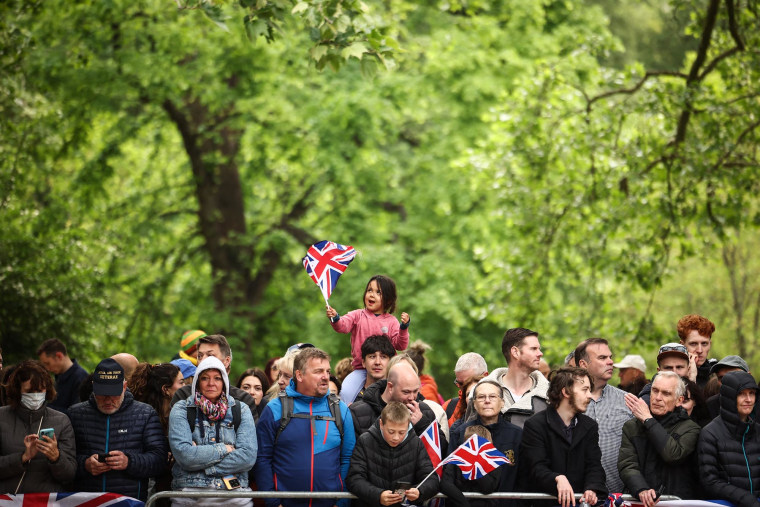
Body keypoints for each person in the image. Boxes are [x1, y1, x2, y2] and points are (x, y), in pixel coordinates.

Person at [254, 347, 356, 507]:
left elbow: (349, 458)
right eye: (318, 371)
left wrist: (341, 502)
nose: (325, 377)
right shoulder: (275, 408)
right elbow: (262, 458)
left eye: (327, 371)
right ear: (299, 375)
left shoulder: (340, 410)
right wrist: (273, 503)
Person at [68, 357, 169, 500]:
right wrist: (85, 464)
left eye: (114, 394)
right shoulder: (75, 414)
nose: (108, 400)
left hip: (129, 501)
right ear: (93, 386)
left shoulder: (145, 413)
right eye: (102, 394)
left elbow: (159, 460)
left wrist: (129, 462)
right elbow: (63, 461)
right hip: (87, 501)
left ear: (124, 386)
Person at [169, 356, 258, 506]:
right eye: (205, 378)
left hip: (234, 496)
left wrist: (203, 464)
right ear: (197, 381)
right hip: (190, 496)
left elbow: (248, 457)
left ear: (224, 382)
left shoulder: (241, 409)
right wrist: (224, 449)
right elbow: (185, 456)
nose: (211, 383)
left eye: (217, 378)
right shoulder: (182, 409)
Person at [519, 367, 607, 507]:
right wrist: (557, 478)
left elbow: (594, 466)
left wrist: (592, 488)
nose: (590, 395)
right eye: (584, 390)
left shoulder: (589, 426)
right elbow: (535, 468)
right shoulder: (535, 425)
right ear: (565, 391)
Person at [618, 371, 701, 505]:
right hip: (640, 502)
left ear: (679, 400)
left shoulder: (691, 428)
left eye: (666, 393)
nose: (657, 397)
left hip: (675, 501)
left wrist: (648, 420)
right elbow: (627, 465)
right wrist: (642, 489)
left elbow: (673, 455)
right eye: (655, 391)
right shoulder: (632, 426)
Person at [327, 274, 411, 404]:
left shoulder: (392, 321)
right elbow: (342, 326)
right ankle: (344, 418)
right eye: (369, 290)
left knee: (405, 391)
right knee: (346, 392)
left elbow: (400, 345)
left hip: (387, 371)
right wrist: (336, 318)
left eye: (378, 292)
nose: (372, 294)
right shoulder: (357, 315)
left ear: (388, 300)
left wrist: (403, 328)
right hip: (361, 369)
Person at [0, 360, 77, 493]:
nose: (35, 396)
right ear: (17, 390)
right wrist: (23, 457)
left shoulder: (62, 421)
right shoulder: (2, 417)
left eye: (40, 390)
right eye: (29, 391)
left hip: (45, 501)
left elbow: (69, 475)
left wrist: (56, 457)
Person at [346, 401, 439, 507]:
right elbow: (354, 479)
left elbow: (431, 479)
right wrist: (378, 495)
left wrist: (419, 491)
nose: (396, 437)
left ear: (408, 425)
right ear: (381, 424)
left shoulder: (416, 443)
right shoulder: (365, 441)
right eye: (391, 431)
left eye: (401, 432)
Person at [445, 379, 522, 506]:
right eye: (481, 397)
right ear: (474, 404)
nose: (487, 401)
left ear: (502, 402)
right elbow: (449, 476)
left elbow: (523, 478)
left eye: (492, 396)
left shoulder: (517, 434)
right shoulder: (461, 433)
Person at [575, 338, 632, 494]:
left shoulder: (627, 400)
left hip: (620, 498)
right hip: (579, 497)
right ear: (583, 364)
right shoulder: (568, 402)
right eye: (602, 358)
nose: (610, 362)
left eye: (610, 357)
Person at [350, 361, 447, 448]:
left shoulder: (423, 410)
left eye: (415, 391)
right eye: (406, 392)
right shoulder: (359, 412)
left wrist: (422, 424)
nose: (412, 397)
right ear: (390, 387)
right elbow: (352, 456)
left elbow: (442, 450)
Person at [699, 371, 760, 507]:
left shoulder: (757, 431)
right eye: (742, 394)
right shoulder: (710, 433)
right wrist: (747, 500)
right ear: (729, 397)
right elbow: (710, 482)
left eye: (752, 393)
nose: (749, 399)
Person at [476, 328, 549, 428]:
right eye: (533, 349)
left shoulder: (550, 395)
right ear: (515, 352)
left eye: (539, 349)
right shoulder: (479, 392)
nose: (540, 353)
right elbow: (470, 434)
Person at [171, 334, 257, 417]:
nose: (203, 360)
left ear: (226, 361)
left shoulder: (243, 400)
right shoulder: (183, 395)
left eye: (210, 355)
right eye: (200, 356)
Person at [36, 338, 89, 415]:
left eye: (47, 363)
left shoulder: (81, 378)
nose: (47, 368)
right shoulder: (58, 377)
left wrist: (45, 408)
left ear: (59, 356)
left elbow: (77, 413)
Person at [128, 362, 184, 434]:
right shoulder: (143, 420)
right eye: (181, 382)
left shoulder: (181, 414)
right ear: (165, 389)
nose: (185, 386)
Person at [444, 352, 488, 427]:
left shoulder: (501, 405)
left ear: (485, 376)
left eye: (469, 382)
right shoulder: (449, 408)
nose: (465, 388)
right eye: (461, 384)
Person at [348, 335, 396, 404]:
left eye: (383, 357)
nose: (377, 362)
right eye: (372, 357)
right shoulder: (352, 398)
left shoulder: (398, 396)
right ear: (363, 362)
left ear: (390, 362)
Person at [677, 314, 717, 387]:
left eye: (704, 343)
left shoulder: (718, 372)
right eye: (693, 344)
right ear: (682, 345)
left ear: (710, 344)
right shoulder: (671, 373)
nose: (699, 350)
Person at [705, 355, 750, 419]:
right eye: (721, 378)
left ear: (749, 376)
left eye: (733, 377)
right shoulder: (712, 405)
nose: (727, 382)